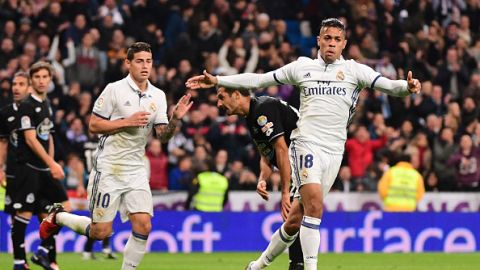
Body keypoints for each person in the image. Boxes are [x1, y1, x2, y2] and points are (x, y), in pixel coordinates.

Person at [186, 18, 421, 270]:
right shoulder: (302, 67)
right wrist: (220, 81)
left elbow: (389, 86)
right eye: (327, 38)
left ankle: (256, 267)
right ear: (319, 40)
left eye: (336, 39)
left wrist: (407, 87)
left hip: (334, 151)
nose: (331, 43)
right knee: (315, 207)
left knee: (295, 220)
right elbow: (259, 80)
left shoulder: (355, 71)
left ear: (344, 44)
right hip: (306, 143)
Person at [39, 42, 192, 270]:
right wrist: (126, 122)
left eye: (148, 61)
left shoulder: (158, 95)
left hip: (136, 169)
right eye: (139, 61)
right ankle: (58, 216)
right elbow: (93, 125)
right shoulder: (114, 89)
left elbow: (162, 137)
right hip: (109, 167)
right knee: (101, 232)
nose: (145, 66)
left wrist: (175, 120)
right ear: (128, 63)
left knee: (144, 225)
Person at [1, 66, 70, 270]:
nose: (41, 81)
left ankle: (44, 251)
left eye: (45, 77)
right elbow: (30, 140)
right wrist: (52, 163)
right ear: (33, 81)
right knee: (22, 214)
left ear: (50, 79)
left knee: (63, 208)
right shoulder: (25, 107)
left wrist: (51, 162)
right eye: (37, 77)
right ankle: (19, 262)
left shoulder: (47, 104)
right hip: (25, 169)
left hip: (42, 169)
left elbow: (47, 136)